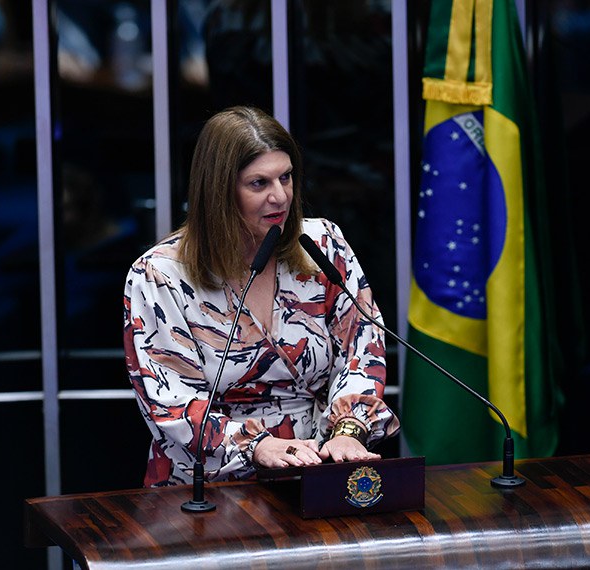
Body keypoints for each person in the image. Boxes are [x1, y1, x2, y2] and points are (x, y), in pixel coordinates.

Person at [123, 106, 399, 486]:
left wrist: (348, 431)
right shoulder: (159, 274)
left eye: (285, 177)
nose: (280, 196)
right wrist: (256, 445)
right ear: (219, 192)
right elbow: (169, 399)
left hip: (317, 470)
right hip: (210, 484)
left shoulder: (321, 244)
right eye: (259, 183)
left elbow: (362, 349)